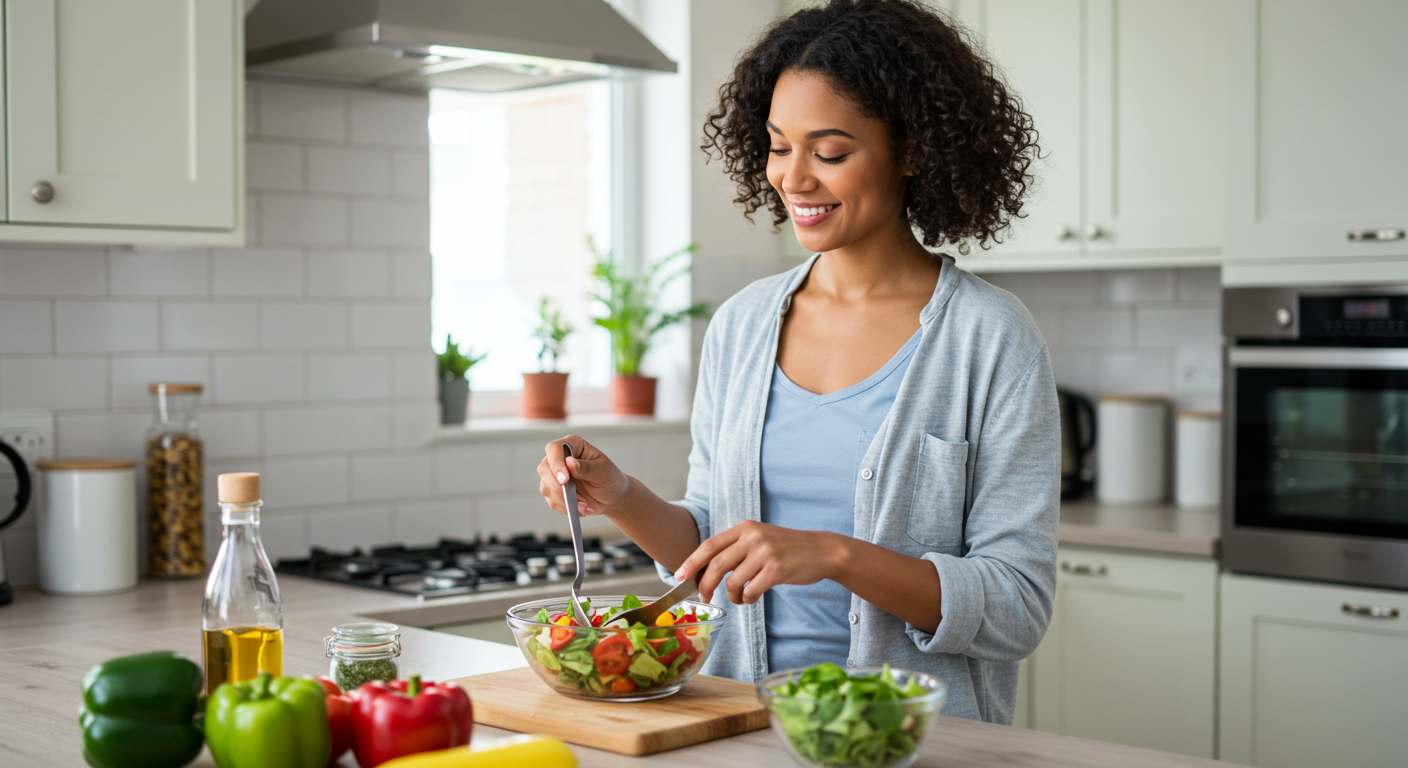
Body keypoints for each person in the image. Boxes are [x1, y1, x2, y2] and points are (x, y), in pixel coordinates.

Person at [537, 0, 1056, 724]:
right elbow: (712, 550)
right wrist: (618, 494)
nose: (794, 178)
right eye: (779, 146)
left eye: (830, 152)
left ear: (912, 149)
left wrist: (836, 556)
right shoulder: (744, 325)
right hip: (738, 730)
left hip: (906, 742)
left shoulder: (990, 337)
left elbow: (1017, 608)